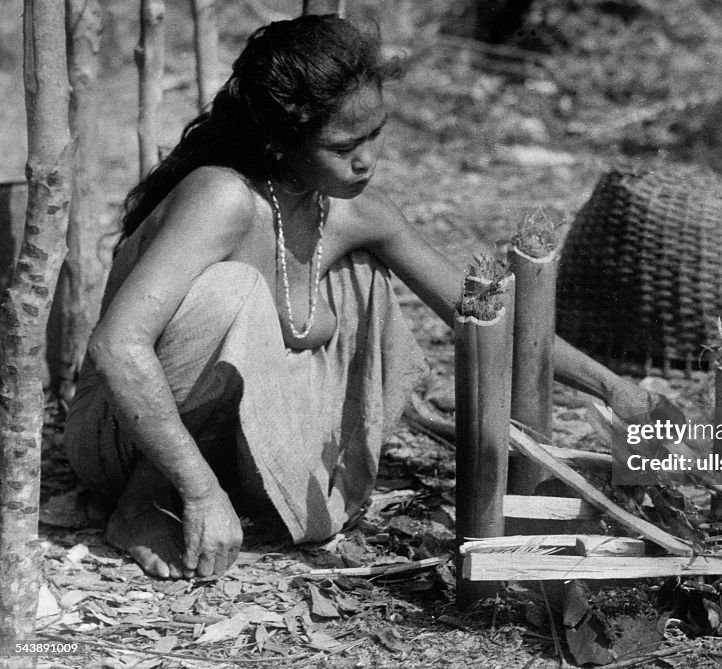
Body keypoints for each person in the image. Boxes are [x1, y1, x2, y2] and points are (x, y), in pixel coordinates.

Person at [65, 15, 663, 580]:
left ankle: (262, 488)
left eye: (376, 133)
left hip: (237, 446)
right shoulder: (222, 198)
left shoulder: (353, 214)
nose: (367, 159)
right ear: (280, 143)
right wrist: (199, 491)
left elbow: (483, 314)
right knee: (233, 290)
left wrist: (615, 390)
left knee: (360, 275)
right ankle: (142, 507)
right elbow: (118, 346)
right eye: (343, 144)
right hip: (127, 440)